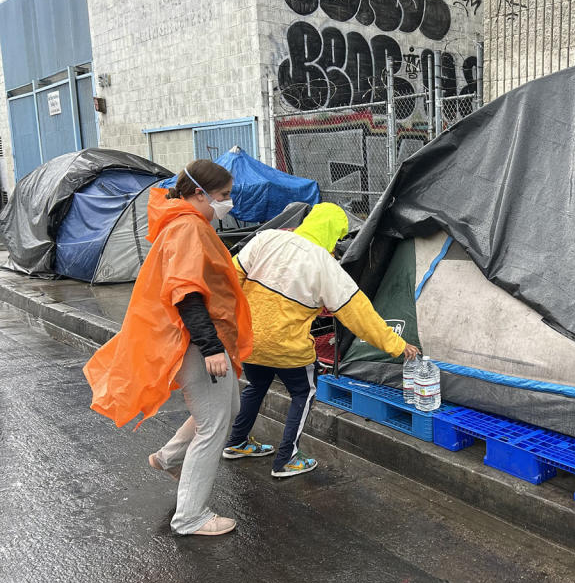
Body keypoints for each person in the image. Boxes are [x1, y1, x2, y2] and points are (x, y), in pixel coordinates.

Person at [84, 160, 252, 537]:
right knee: (214, 425)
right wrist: (210, 348)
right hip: (194, 340)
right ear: (199, 193)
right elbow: (187, 293)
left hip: (196, 337)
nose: (227, 204)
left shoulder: (183, 224)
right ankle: (191, 516)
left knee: (230, 406)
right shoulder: (189, 228)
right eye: (223, 196)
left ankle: (170, 457)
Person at [222, 202, 419, 477]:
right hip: (287, 348)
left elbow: (229, 278)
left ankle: (236, 441)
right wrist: (397, 344)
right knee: (303, 393)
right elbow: (358, 314)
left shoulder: (267, 238)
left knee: (256, 385)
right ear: (333, 233)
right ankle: (287, 459)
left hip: (249, 340)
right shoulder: (324, 265)